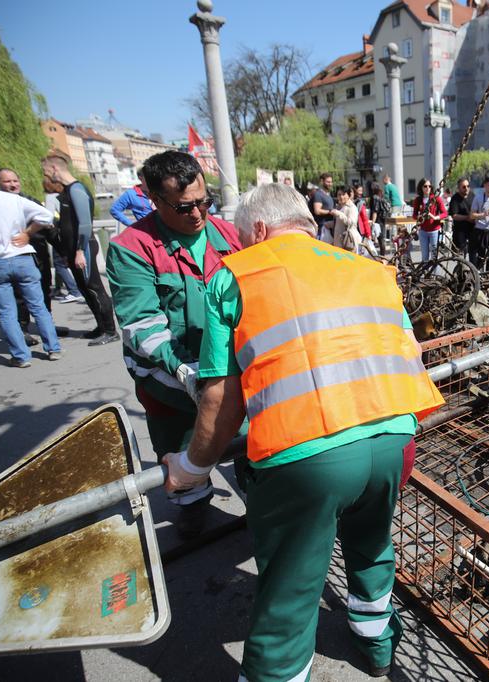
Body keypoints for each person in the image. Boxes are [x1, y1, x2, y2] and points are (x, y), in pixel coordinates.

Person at [163, 182, 443, 681]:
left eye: (244, 239)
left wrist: (189, 468)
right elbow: (412, 355)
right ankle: (377, 647)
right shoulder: (371, 271)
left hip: (307, 459)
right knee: (372, 544)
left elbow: (221, 402)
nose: (240, 249)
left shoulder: (236, 277)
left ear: (262, 231)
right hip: (394, 442)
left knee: (291, 586)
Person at [107, 150, 242, 536]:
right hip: (168, 382)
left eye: (204, 201)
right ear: (153, 198)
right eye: (184, 207)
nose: (198, 214)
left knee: (246, 442)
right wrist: (186, 371)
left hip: (228, 373)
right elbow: (142, 324)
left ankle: (256, 495)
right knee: (180, 446)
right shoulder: (132, 247)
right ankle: (193, 503)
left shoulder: (226, 234)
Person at [0, 162, 62, 366]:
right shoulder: (11, 198)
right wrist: (27, 233)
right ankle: (53, 348)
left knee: (6, 312)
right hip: (21, 257)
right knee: (38, 306)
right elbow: (46, 215)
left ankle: (21, 356)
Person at [41, 152, 119, 345]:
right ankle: (101, 326)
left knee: (94, 288)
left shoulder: (76, 189)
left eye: (45, 171)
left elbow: (84, 224)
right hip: (73, 250)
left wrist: (80, 251)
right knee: (85, 289)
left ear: (54, 168)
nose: (45, 175)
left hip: (83, 250)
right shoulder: (67, 190)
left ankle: (110, 330)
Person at [0, 168, 56, 345]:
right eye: (7, 181)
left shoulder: (30, 200)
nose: (13, 184)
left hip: (39, 254)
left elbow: (49, 224)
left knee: (45, 290)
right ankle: (23, 330)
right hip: (14, 255)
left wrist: (64, 250)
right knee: (19, 296)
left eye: (15, 180)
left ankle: (48, 327)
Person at [411, 178, 447, 263]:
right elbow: (414, 215)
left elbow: (444, 213)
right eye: (425, 186)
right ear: (421, 188)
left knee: (434, 257)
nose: (428, 188)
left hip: (434, 230)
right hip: (423, 231)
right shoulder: (418, 200)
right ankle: (426, 275)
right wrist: (420, 216)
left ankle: (435, 276)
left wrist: (435, 217)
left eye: (429, 186)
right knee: (425, 257)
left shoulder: (436, 198)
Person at [331, 185, 361, 253]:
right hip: (339, 242)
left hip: (348, 242)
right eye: (339, 194)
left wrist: (338, 214)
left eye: (343, 194)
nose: (341, 197)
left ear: (348, 195)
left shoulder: (352, 207)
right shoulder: (340, 206)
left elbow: (351, 223)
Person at [448, 177, 474, 257]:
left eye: (468, 186)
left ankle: (473, 269)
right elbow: (454, 215)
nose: (466, 188)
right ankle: (462, 269)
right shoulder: (455, 198)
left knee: (473, 254)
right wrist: (467, 218)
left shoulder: (473, 195)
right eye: (463, 187)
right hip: (460, 231)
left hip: (472, 229)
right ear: (459, 188)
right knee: (460, 257)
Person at [311, 172, 336, 243]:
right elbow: (317, 211)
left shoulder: (328, 195)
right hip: (322, 229)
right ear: (322, 181)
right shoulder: (318, 195)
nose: (330, 184)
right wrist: (330, 212)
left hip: (329, 228)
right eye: (328, 182)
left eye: (331, 182)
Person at [369, 182, 392, 253]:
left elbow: (375, 210)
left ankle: (381, 256)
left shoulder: (375, 197)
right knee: (381, 239)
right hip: (382, 220)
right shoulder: (381, 196)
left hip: (378, 221)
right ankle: (382, 255)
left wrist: (372, 222)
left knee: (379, 239)